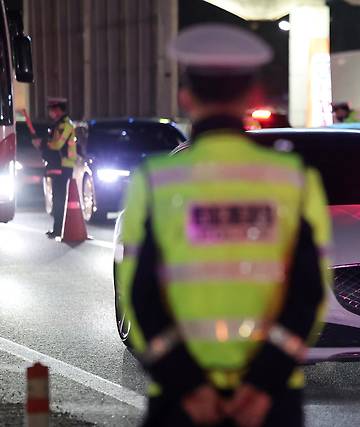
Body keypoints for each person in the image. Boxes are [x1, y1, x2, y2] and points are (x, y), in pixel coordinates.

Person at [116, 24, 332, 427]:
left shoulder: (155, 180)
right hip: (270, 403)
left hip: (180, 402)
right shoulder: (295, 180)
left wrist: (189, 387)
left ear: (185, 96)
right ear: (252, 96)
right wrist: (262, 387)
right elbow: (309, 295)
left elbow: (139, 296)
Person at [38, 97, 77, 239]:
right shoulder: (59, 124)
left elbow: (57, 145)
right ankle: (58, 229)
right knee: (57, 197)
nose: (50, 113)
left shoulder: (64, 125)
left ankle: (59, 229)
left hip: (64, 165)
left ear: (58, 110)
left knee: (60, 198)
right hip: (61, 165)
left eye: (52, 110)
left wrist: (43, 144)